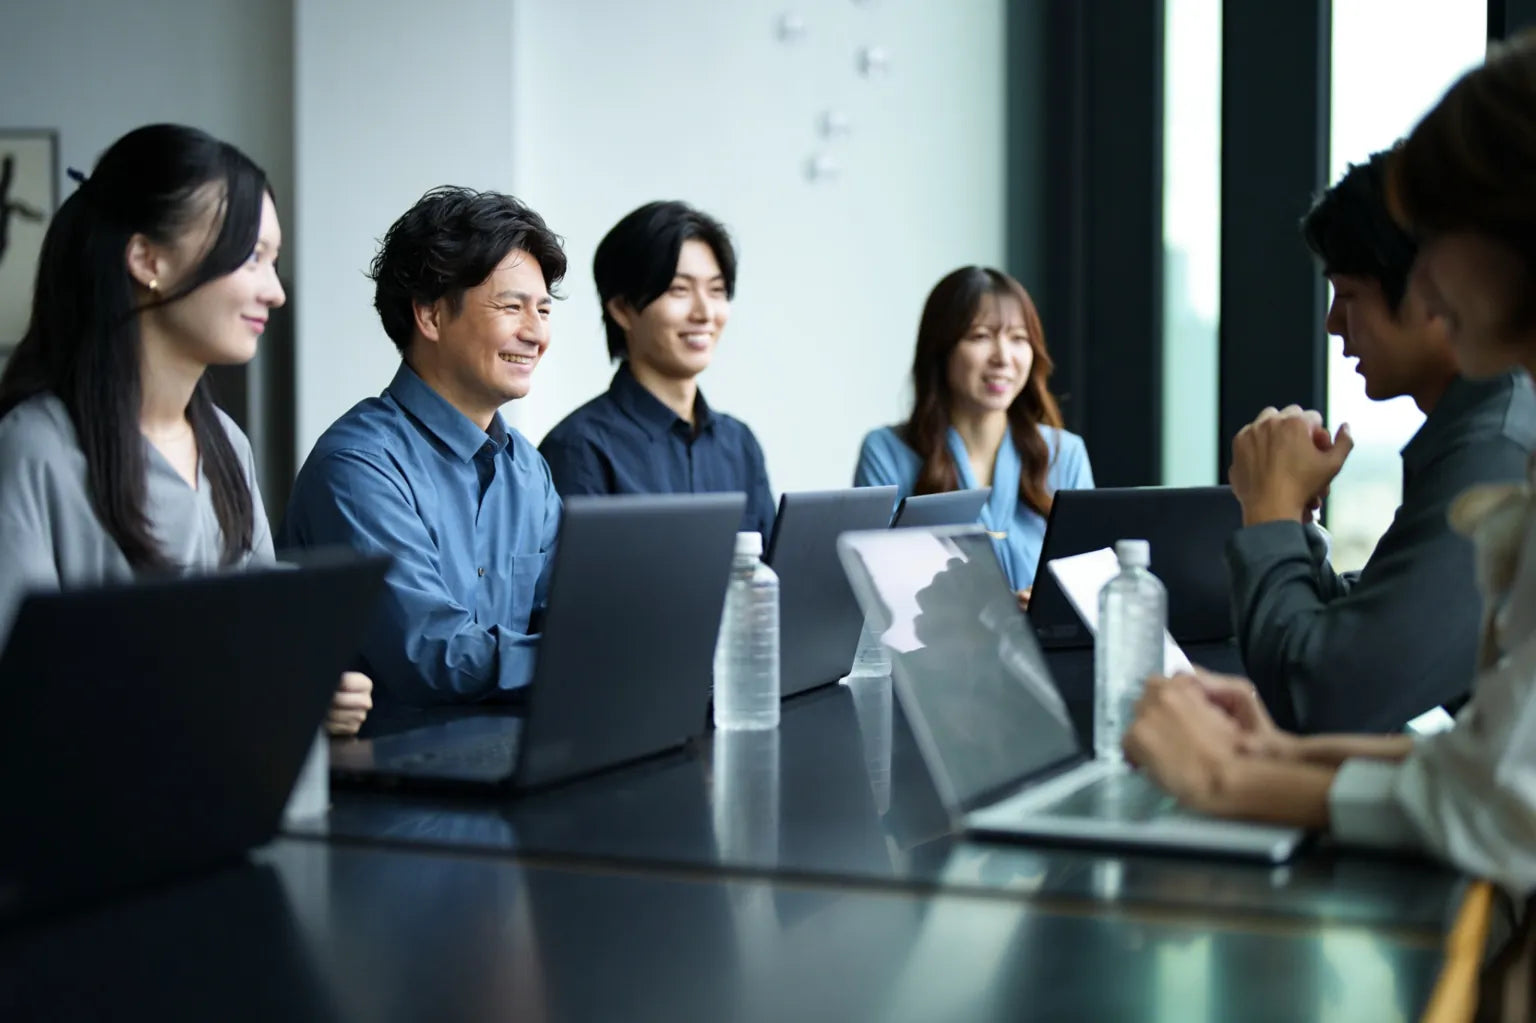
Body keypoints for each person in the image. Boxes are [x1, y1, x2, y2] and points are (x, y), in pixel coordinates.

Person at [1124, 36, 1536, 898]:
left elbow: (1498, 797)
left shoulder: (1502, 443)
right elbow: (1489, 750)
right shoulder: (1486, 431)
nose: (1422, 281)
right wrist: (1283, 751)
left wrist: (1232, 779)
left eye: (1434, 244)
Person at [0, 123, 371, 736]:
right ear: (148, 259)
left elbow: (265, 633)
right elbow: (28, 698)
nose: (274, 292)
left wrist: (310, 680)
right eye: (252, 257)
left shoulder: (226, 444)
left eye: (273, 262)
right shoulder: (34, 450)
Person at [1227, 152, 1536, 734]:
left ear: (1434, 295)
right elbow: (1368, 632)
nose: (1332, 325)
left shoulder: (1493, 447)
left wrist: (1268, 515)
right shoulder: (1481, 424)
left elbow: (1326, 697)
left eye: (1349, 296)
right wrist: (1287, 522)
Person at [278, 187, 565, 724]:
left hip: (503, 768)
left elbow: (565, 616)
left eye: (543, 310)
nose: (535, 333)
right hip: (388, 786)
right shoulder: (358, 466)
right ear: (430, 316)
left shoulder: (529, 471)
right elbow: (432, 656)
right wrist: (579, 656)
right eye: (511, 306)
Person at [853, 266, 1092, 605]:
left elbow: (1088, 586)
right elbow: (874, 592)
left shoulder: (1064, 453)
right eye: (980, 336)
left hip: (1047, 655)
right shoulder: (887, 451)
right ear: (941, 349)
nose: (1003, 358)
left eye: (1019, 338)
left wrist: (1046, 606)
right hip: (933, 655)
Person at [539, 201, 775, 538]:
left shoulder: (739, 445)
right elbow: (581, 590)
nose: (705, 312)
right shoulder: (579, 448)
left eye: (717, 290)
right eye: (679, 289)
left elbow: (767, 577)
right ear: (622, 308)